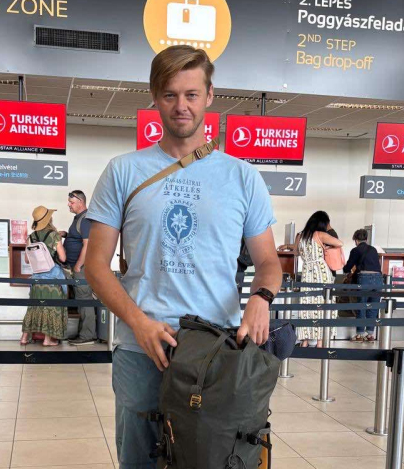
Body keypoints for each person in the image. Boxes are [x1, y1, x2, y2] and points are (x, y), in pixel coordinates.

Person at [84, 45, 282, 469]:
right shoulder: (123, 171)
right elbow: (95, 265)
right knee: (138, 461)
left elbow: (268, 262)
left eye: (192, 94)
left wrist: (261, 298)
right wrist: (138, 323)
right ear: (154, 97)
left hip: (215, 353)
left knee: (212, 460)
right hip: (142, 349)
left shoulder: (242, 177)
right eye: (170, 94)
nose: (181, 106)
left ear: (209, 95)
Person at [278, 211, 342, 347]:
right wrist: (326, 246)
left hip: (307, 272)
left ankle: (305, 341)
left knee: (306, 305)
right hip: (321, 272)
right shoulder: (320, 234)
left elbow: (296, 252)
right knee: (322, 305)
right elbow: (339, 243)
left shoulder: (300, 236)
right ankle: (320, 342)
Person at [20, 206, 69, 347]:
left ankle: (24, 337)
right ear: (49, 219)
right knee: (51, 308)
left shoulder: (31, 237)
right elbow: (63, 258)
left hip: (37, 279)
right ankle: (47, 340)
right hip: (53, 279)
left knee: (33, 308)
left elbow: (27, 260)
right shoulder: (54, 236)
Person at [59, 190, 97, 346]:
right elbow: (78, 238)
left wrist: (78, 266)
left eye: (71, 202)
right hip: (75, 267)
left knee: (85, 300)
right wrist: (66, 235)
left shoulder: (86, 219)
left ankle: (88, 336)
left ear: (81, 202)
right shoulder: (78, 219)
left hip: (81, 268)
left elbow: (87, 245)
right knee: (81, 301)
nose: (69, 204)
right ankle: (83, 333)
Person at [343, 228, 382, 342]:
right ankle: (370, 335)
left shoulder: (355, 250)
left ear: (356, 240)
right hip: (378, 279)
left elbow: (348, 267)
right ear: (366, 239)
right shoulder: (373, 249)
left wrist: (345, 269)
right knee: (373, 307)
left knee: (361, 306)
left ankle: (360, 334)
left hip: (364, 279)